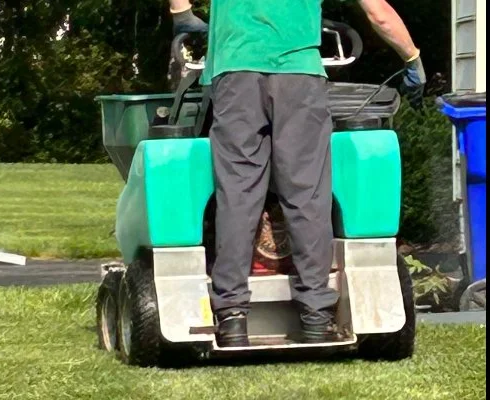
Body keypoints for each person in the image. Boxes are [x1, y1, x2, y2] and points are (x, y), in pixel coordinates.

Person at [167, 0, 425, 347]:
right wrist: (412, 58)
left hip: (236, 72)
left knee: (238, 191)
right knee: (307, 193)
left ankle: (231, 319)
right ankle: (316, 317)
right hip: (299, 77)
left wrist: (182, 14)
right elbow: (377, 12)